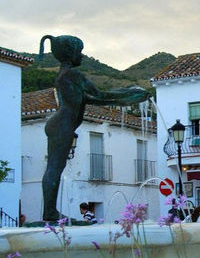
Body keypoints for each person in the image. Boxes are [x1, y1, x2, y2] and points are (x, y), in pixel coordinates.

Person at [39, 35, 151, 221]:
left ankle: (49, 211)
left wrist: (124, 94)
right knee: (54, 169)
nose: (82, 56)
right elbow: (100, 94)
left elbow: (90, 98)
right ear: (70, 53)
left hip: (59, 124)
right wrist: (128, 95)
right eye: (79, 52)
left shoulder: (63, 75)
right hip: (62, 125)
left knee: (54, 168)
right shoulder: (72, 74)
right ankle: (49, 212)